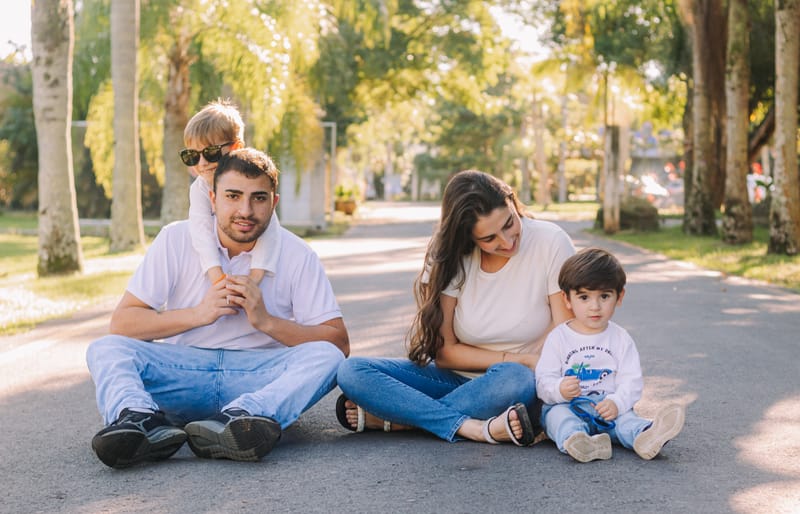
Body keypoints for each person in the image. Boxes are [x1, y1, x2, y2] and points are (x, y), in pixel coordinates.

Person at [86, 148, 349, 468]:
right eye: (233, 196)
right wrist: (199, 314)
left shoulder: (298, 254)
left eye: (259, 198)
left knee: (328, 357)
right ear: (212, 199)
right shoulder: (176, 239)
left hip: (257, 377)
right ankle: (139, 421)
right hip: (183, 373)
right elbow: (123, 322)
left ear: (274, 203)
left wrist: (266, 322)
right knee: (107, 348)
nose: (246, 210)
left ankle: (245, 419)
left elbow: (337, 342)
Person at [335, 170, 575, 445]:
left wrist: (524, 365)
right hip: (456, 379)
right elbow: (445, 354)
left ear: (512, 201)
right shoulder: (449, 257)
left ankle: (402, 420)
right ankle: (472, 426)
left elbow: (565, 332)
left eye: (509, 223)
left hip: (518, 383)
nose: (507, 242)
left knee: (516, 380)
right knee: (352, 371)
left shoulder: (551, 242)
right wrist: (518, 357)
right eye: (489, 239)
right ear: (466, 239)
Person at [535, 247, 685, 463]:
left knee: (626, 421)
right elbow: (543, 381)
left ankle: (646, 435)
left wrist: (616, 402)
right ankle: (580, 441)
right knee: (557, 417)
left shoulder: (620, 338)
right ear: (566, 299)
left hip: (608, 408)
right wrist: (559, 389)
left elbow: (631, 382)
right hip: (569, 406)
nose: (595, 306)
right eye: (584, 297)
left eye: (604, 296)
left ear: (619, 296)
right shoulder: (558, 338)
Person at [180, 99, 267, 284]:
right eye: (192, 156)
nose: (202, 163)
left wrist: (255, 278)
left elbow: (270, 233)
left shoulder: (254, 185)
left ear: (236, 148)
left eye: (211, 152)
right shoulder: (200, 187)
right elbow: (200, 230)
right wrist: (217, 277)